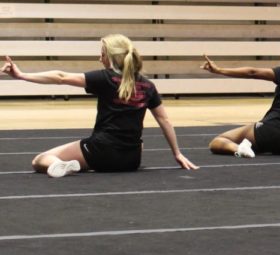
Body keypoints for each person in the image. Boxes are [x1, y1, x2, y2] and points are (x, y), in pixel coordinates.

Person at [2, 34, 197, 176]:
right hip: (131, 160)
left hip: (101, 152)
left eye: (102, 54)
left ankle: (62, 165)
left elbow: (61, 77)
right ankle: (72, 163)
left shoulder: (104, 78)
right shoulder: (148, 85)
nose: (99, 58)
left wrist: (22, 75)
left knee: (40, 160)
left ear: (111, 57)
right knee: (138, 141)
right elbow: (165, 120)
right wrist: (177, 153)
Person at [202, 33, 280, 158]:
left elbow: (252, 72)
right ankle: (246, 148)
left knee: (218, 141)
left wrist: (219, 70)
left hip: (270, 131)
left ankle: (240, 148)